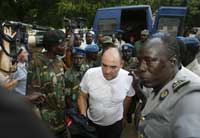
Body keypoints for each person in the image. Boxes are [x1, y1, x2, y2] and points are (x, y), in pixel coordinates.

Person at [131, 32, 200, 138]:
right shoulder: (160, 79)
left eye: (150, 61)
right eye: (140, 61)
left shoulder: (189, 94)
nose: (141, 68)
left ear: (173, 61)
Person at [77, 47, 135, 138]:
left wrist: (124, 115)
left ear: (121, 64)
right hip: (92, 124)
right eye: (104, 65)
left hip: (115, 124)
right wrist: (83, 117)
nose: (107, 71)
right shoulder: (90, 74)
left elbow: (129, 96)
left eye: (113, 67)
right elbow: (82, 96)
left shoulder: (128, 78)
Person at [27, 30, 69, 138]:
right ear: (52, 46)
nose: (65, 47)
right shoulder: (37, 63)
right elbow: (32, 95)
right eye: (62, 44)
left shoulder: (59, 62)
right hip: (46, 125)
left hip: (61, 121)